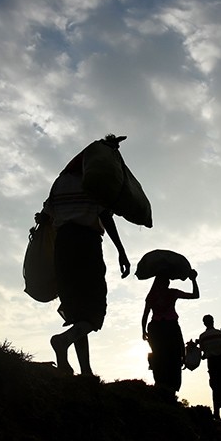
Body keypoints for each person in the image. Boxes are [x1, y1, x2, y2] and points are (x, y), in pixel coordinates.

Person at [38, 135, 131, 376]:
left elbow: (45, 217)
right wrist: (121, 251)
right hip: (86, 244)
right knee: (93, 308)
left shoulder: (58, 183)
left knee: (76, 310)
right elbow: (106, 217)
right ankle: (63, 340)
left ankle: (86, 371)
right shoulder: (94, 182)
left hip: (63, 248)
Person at [141, 270, 200, 400]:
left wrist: (143, 330)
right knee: (166, 358)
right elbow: (195, 295)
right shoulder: (165, 294)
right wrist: (193, 280)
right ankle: (165, 387)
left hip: (161, 329)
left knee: (166, 358)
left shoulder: (155, 295)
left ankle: (165, 387)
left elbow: (195, 295)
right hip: (163, 329)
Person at [198, 314, 221, 420]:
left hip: (211, 364)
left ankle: (216, 412)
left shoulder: (202, 336)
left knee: (215, 388)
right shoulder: (220, 334)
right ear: (213, 321)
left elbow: (203, 353)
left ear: (204, 323)